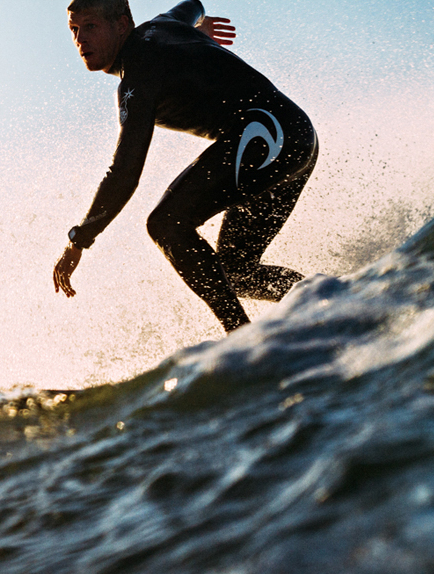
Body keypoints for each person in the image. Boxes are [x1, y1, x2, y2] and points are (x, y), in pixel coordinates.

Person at [52, 0, 318, 332]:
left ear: (121, 25)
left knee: (166, 223)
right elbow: (192, 4)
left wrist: (78, 240)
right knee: (235, 272)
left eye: (90, 26)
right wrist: (195, 28)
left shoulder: (139, 75)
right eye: (74, 30)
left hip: (269, 134)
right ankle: (330, 302)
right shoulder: (164, 24)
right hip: (291, 134)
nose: (80, 39)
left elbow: (124, 173)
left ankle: (240, 335)